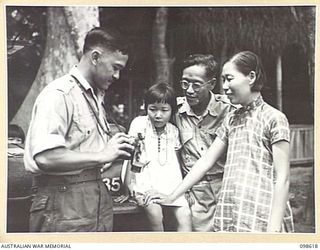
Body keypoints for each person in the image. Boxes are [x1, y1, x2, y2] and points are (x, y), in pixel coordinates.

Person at [147, 51, 294, 233]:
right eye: (223, 80)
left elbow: (283, 178)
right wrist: (172, 196)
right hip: (232, 205)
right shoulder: (232, 118)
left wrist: (273, 230)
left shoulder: (274, 118)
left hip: (262, 208)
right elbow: (205, 161)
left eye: (229, 79)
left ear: (251, 77)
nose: (225, 86)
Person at [24, 27, 135, 232]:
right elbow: (46, 157)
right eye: (115, 67)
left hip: (94, 199)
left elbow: (83, 147)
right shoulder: (59, 94)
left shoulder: (94, 96)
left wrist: (115, 146)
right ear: (95, 57)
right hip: (64, 201)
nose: (118, 76)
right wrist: (102, 155)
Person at [172, 54, 235, 231]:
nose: (189, 90)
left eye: (196, 84)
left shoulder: (229, 110)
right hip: (195, 193)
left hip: (226, 187)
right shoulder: (175, 111)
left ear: (212, 84)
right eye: (185, 83)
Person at [122, 82, 192, 231]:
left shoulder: (173, 130)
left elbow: (177, 161)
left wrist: (179, 190)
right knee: (155, 213)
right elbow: (132, 156)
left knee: (185, 214)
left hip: (170, 184)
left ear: (172, 111)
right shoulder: (139, 124)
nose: (158, 115)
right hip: (145, 182)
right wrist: (128, 185)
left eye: (164, 110)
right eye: (152, 109)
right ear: (146, 107)